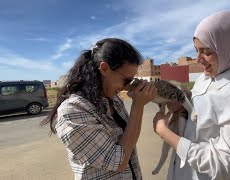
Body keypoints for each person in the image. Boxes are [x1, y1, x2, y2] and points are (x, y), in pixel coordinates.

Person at [153, 10, 230, 180]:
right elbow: (194, 128)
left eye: (206, 51)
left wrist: (164, 132)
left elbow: (223, 165)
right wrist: (181, 107)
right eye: (196, 50)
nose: (198, 59)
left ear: (229, 46)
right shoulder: (205, 78)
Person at [41, 38, 157, 180]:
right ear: (104, 69)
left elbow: (128, 144)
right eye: (127, 80)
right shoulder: (72, 110)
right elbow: (117, 162)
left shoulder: (114, 100)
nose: (127, 87)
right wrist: (138, 106)